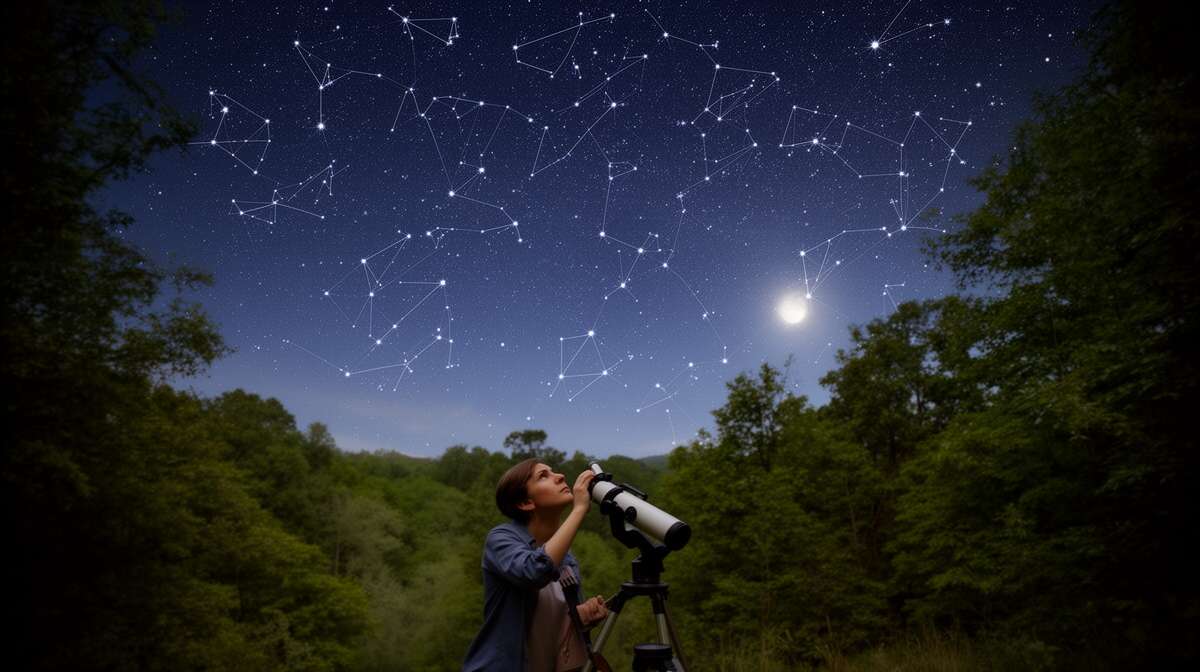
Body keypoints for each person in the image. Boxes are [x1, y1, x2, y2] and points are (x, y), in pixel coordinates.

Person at [463, 459, 611, 671]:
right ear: (526, 503)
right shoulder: (501, 539)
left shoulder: (567, 557)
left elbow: (552, 624)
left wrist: (581, 617)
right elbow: (534, 572)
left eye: (553, 472)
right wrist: (579, 510)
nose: (559, 476)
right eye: (544, 476)